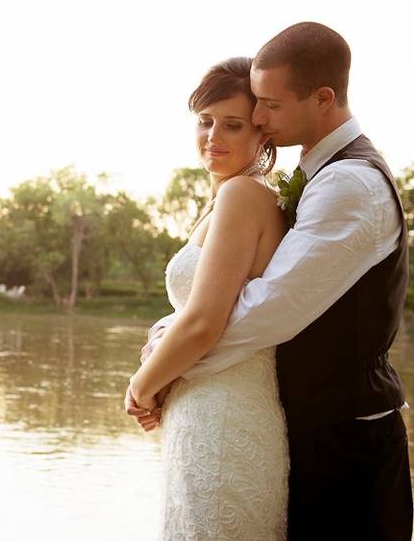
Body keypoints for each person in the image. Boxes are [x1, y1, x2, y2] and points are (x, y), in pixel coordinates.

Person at [127, 22, 413, 541]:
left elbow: (264, 310)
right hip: (291, 423)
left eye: (266, 108)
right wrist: (168, 335)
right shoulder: (307, 177)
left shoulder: (348, 182)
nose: (259, 117)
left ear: (323, 98)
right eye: (206, 121)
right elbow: (231, 300)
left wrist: (153, 377)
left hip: (346, 438)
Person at [126, 56, 290, 539]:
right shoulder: (223, 201)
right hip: (202, 408)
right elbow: (199, 307)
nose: (213, 136)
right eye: (205, 121)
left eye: (232, 125)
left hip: (224, 416)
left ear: (262, 133)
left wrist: (140, 388)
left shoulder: (244, 195)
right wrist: (160, 336)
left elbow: (204, 323)